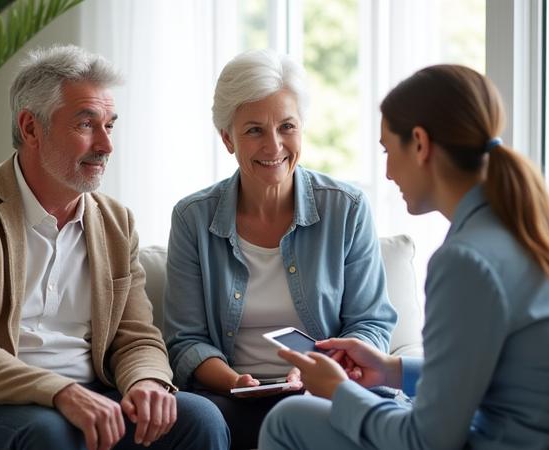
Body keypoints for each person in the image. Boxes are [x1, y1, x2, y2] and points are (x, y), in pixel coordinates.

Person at [259, 64, 549, 450]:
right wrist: (391, 370)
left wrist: (339, 392)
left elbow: (425, 441)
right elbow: (494, 372)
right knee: (378, 399)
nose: (388, 173)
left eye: (388, 150)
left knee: (289, 419)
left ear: (420, 143)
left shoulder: (468, 262)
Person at [0, 45, 229, 450]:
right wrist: (61, 392)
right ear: (30, 128)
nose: (106, 145)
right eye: (86, 124)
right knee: (51, 433)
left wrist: (146, 382)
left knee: (200, 418)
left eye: (109, 126)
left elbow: (136, 337)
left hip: (93, 394)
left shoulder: (116, 222)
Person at [162, 48, 397, 449]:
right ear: (227, 138)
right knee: (198, 419)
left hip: (322, 391)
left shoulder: (347, 208)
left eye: (286, 126)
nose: (273, 146)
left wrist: (319, 373)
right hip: (229, 397)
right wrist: (236, 381)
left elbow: (371, 324)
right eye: (254, 130)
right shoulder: (192, 218)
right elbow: (187, 340)